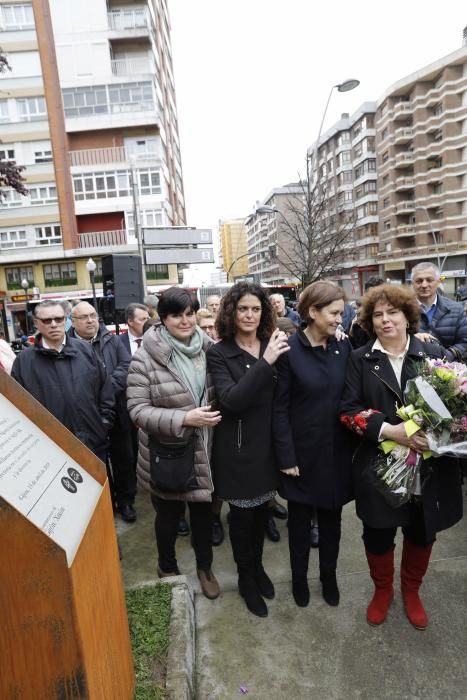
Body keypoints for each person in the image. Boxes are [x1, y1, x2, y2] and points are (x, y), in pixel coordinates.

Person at [339, 284, 463, 629]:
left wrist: (441, 435)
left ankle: (411, 590)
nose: (384, 320)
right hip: (380, 464)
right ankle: (383, 590)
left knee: (422, 531)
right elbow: (348, 411)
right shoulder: (359, 359)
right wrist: (390, 431)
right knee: (378, 531)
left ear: (408, 317)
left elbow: (455, 408)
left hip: (430, 466)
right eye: (377, 315)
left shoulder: (431, 353)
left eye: (392, 312)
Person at [126, 287, 222, 600]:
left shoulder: (210, 350)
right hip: (167, 453)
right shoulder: (145, 358)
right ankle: (166, 567)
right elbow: (137, 410)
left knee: (204, 517)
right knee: (168, 517)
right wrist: (183, 418)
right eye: (176, 315)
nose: (185, 321)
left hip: (206, 450)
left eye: (190, 314)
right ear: (163, 318)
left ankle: (205, 568)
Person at [207, 282, 290, 617]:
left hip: (269, 448)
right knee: (241, 523)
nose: (250, 315)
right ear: (232, 311)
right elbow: (231, 401)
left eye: (256, 309)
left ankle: (258, 569)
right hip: (238, 451)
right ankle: (246, 578)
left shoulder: (275, 344)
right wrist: (265, 361)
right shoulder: (219, 352)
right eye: (243, 308)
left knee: (262, 518)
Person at [272, 281, 355, 608]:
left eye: (342, 312)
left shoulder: (342, 347)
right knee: (300, 526)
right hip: (301, 456)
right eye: (334, 313)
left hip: (336, 453)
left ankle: (329, 577)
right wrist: (286, 455)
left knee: (332, 524)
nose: (340, 318)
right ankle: (298, 579)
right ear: (312, 312)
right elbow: (278, 409)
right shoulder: (289, 351)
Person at [11, 301, 115, 461]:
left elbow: (105, 390)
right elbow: (18, 407)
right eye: (47, 320)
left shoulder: (85, 350)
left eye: (59, 319)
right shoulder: (24, 361)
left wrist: (103, 424)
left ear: (65, 320)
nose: (54, 324)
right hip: (51, 451)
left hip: (94, 444)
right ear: (36, 323)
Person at [69, 302, 135, 521]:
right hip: (87, 415)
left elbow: (126, 367)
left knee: (123, 459)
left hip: (117, 411)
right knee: (97, 464)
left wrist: (105, 388)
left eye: (93, 315)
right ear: (73, 321)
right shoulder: (69, 346)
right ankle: (106, 504)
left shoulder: (113, 340)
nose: (90, 320)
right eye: (83, 317)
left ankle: (126, 502)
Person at [412, 261, 467, 361]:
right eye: (419, 281)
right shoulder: (401, 310)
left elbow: (464, 341)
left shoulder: (456, 309)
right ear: (412, 283)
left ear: (438, 282)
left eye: (429, 280)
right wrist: (411, 339)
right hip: (413, 369)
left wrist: (445, 357)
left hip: (449, 371)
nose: (424, 285)